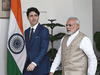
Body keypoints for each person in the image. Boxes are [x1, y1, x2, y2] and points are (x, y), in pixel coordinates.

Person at [23, 7, 50, 75]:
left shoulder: (44, 30)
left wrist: (34, 63)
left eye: (36, 15)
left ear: (38, 17)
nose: (34, 18)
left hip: (41, 67)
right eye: (31, 16)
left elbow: (44, 49)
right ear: (27, 18)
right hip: (28, 67)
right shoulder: (26, 32)